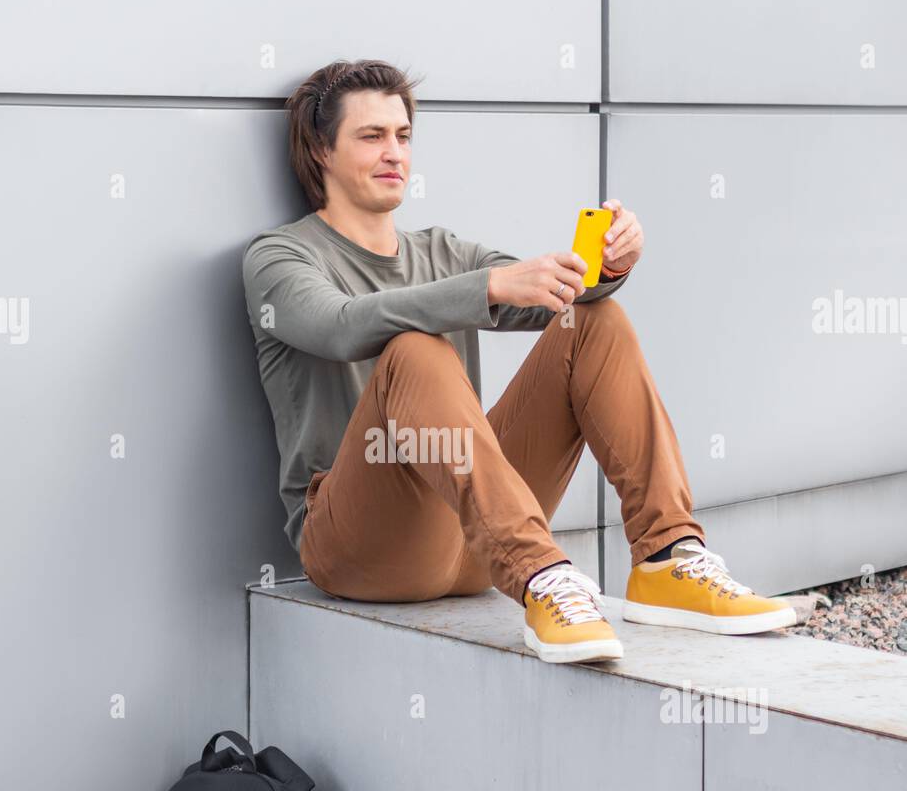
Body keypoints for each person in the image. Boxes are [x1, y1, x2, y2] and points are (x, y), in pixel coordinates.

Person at [242, 58, 796, 664]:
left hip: (475, 539)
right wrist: (488, 288)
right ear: (321, 149)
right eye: (371, 136)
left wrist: (606, 265)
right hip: (360, 548)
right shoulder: (279, 257)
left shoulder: (443, 251)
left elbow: (556, 299)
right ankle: (543, 578)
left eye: (403, 136)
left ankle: (667, 558)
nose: (394, 153)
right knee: (414, 347)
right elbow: (340, 326)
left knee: (588, 321)